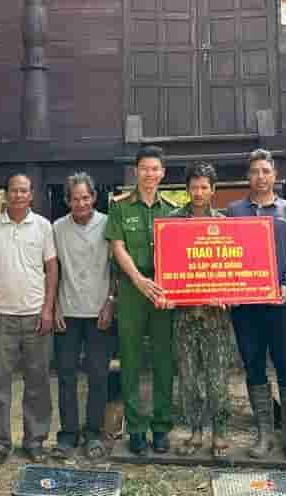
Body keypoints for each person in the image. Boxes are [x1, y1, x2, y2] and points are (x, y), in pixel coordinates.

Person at [226, 149, 286, 462]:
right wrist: (228, 287)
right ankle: (264, 434)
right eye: (255, 171)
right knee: (254, 366)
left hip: (280, 302)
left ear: (274, 175)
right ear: (248, 176)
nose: (260, 177)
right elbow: (226, 253)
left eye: (265, 171)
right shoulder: (234, 211)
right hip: (246, 306)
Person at [0, 173, 58, 466]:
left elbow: (52, 269)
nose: (19, 195)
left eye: (24, 191)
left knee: (38, 383)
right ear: (6, 194)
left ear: (31, 195)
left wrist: (48, 309)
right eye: (14, 190)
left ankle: (35, 441)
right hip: (1, 317)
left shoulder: (43, 227)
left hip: (35, 316)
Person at [106, 145, 177, 456]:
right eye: (145, 168)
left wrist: (164, 286)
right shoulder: (119, 207)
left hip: (163, 291)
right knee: (131, 360)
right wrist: (138, 280)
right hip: (132, 289)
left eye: (155, 169)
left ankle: (160, 428)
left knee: (164, 360)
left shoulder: (172, 210)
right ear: (136, 171)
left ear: (162, 173)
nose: (150, 174)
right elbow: (117, 246)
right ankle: (135, 430)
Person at [170, 162, 235, 459]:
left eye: (204, 187)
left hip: (216, 316)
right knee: (189, 377)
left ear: (213, 190)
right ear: (187, 189)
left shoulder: (224, 224)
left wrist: (229, 295)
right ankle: (195, 431)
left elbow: (233, 267)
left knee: (217, 377)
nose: (198, 192)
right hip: (184, 314)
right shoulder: (172, 223)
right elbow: (167, 264)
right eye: (194, 187)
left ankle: (219, 432)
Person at [53, 172, 114, 460]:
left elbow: (116, 267)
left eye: (86, 197)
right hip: (67, 311)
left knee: (98, 375)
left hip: (99, 311)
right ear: (67, 201)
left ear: (94, 198)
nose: (81, 203)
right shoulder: (57, 228)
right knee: (66, 375)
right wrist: (54, 305)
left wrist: (110, 302)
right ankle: (68, 435)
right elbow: (51, 270)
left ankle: (93, 433)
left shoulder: (107, 224)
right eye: (75, 198)